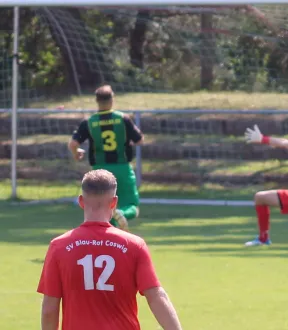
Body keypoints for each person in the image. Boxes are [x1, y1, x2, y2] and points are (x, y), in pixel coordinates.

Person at [37, 169, 182, 330]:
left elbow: (49, 309)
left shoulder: (59, 246)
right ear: (114, 202)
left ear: (81, 201)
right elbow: (156, 296)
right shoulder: (134, 245)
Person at [68, 85, 143, 231]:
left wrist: (76, 153)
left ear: (96, 101)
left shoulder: (89, 122)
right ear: (112, 99)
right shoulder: (122, 119)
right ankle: (121, 213)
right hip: (122, 167)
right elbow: (139, 140)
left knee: (104, 208)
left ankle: (110, 235)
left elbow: (73, 144)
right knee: (132, 207)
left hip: (99, 171)